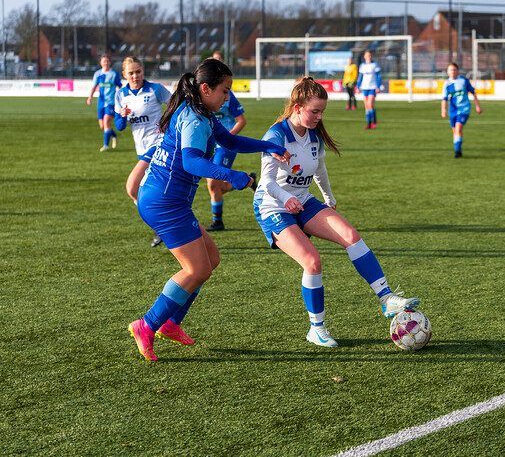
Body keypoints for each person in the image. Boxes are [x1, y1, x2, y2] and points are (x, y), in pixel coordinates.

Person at [128, 59, 290, 362]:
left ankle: (171, 324)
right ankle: (147, 324)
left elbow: (229, 140)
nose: (227, 97)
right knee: (197, 269)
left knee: (210, 260)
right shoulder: (194, 118)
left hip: (168, 200)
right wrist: (233, 176)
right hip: (164, 203)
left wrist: (266, 147)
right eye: (224, 91)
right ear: (206, 89)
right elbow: (191, 162)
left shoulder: (202, 112)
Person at [252, 76, 419, 348]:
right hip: (273, 206)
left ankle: (387, 299)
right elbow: (267, 182)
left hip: (303, 201)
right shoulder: (276, 135)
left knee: (350, 235)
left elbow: (319, 169)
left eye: (322, 112)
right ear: (296, 107)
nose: (319, 117)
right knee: (312, 261)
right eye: (314, 111)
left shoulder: (314, 135)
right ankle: (316, 329)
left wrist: (328, 197)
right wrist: (286, 199)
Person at [115, 56, 172, 247]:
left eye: (138, 71)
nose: (135, 76)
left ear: (143, 71)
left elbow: (176, 106)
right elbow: (119, 126)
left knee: (132, 187)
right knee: (150, 193)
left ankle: (161, 226)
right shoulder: (121, 95)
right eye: (131, 73)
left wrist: (167, 123)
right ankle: (166, 225)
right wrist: (122, 117)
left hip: (159, 146)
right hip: (142, 150)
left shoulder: (155, 89)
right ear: (124, 74)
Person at [204, 51, 254, 232]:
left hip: (224, 146)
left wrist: (227, 138)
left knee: (212, 183)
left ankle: (217, 221)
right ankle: (246, 180)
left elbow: (241, 120)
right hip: (208, 144)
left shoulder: (228, 95)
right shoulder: (203, 94)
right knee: (216, 186)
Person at [441, 63, 482, 158]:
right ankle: (458, 147)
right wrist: (443, 110)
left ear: (457, 71)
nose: (453, 72)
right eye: (451, 70)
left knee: (458, 128)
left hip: (464, 109)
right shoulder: (447, 84)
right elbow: (444, 99)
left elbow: (473, 92)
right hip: (453, 111)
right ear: (447, 72)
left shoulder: (463, 80)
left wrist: (477, 106)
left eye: (454, 69)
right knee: (455, 131)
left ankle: (457, 152)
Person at [86, 54, 122, 152]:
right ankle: (114, 135)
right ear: (100, 63)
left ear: (109, 62)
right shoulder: (98, 74)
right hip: (101, 102)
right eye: (103, 61)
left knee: (106, 122)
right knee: (103, 126)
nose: (105, 63)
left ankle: (106, 145)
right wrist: (90, 97)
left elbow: (120, 87)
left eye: (107, 61)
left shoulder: (114, 74)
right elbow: (94, 87)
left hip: (111, 103)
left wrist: (121, 99)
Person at [357, 51, 382, 129]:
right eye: (367, 55)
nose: (369, 57)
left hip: (372, 87)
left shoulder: (375, 65)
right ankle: (368, 124)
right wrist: (358, 87)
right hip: (365, 87)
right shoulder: (362, 66)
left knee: (370, 104)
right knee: (367, 107)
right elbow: (360, 77)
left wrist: (378, 86)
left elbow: (378, 76)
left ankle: (374, 122)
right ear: (364, 56)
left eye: (370, 55)